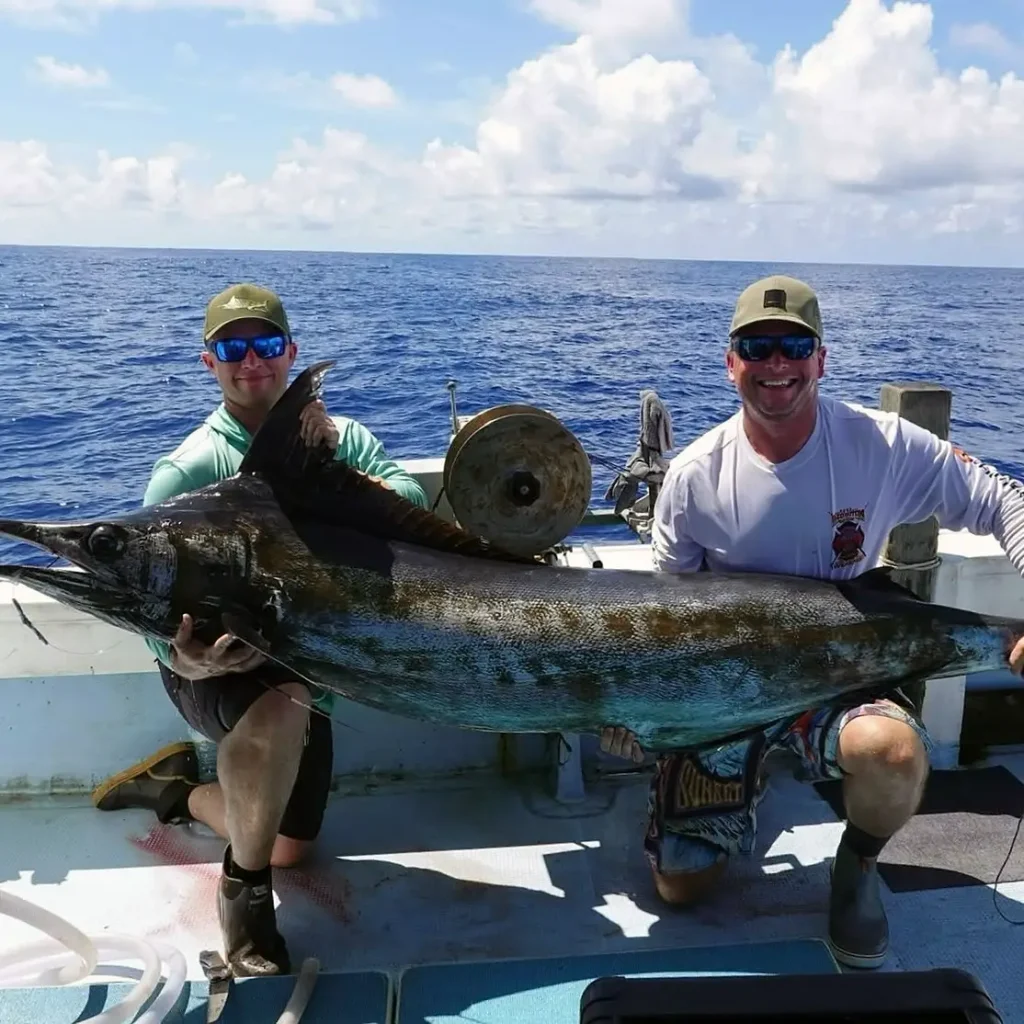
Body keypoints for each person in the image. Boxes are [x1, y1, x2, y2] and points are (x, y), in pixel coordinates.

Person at [600, 274, 1024, 970]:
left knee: (890, 754)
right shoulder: (694, 476)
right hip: (724, 697)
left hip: (844, 678)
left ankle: (856, 866)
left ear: (820, 359)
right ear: (731, 360)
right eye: (757, 346)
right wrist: (638, 714)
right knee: (682, 890)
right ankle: (745, 776)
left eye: (793, 345)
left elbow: (1003, 500)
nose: (777, 364)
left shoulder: (881, 445)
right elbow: (663, 623)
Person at [90, 283, 429, 978]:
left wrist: (342, 478)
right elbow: (148, 605)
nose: (252, 362)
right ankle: (245, 908)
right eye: (233, 348)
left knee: (292, 845)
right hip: (211, 671)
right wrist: (183, 659)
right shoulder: (187, 471)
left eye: (267, 345)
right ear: (207, 361)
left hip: (308, 664)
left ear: (291, 353)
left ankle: (176, 791)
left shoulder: (343, 438)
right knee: (278, 707)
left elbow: (416, 499)